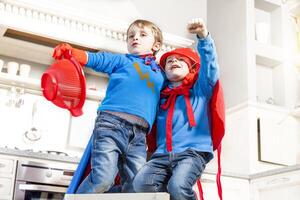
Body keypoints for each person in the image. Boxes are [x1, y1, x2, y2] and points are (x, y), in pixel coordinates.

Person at [53, 19, 165, 193]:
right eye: (131, 36)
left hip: (139, 136)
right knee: (103, 180)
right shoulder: (123, 61)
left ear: (156, 45)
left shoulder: (161, 73)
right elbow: (98, 59)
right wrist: (73, 53)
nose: (135, 38)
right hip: (111, 125)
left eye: (142, 35)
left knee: (137, 187)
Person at [133, 18, 225, 200]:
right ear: (164, 71)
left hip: (192, 152)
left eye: (180, 60)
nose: (174, 61)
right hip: (161, 155)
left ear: (191, 66)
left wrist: (203, 37)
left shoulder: (200, 89)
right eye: (169, 61)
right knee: (140, 183)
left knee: (178, 186)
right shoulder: (160, 96)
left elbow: (210, 66)